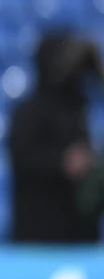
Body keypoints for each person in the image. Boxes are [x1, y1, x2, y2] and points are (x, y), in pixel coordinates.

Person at [8, 31, 102, 244]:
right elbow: (22, 158)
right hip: (38, 234)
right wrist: (62, 162)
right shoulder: (29, 112)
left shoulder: (80, 108)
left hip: (80, 235)